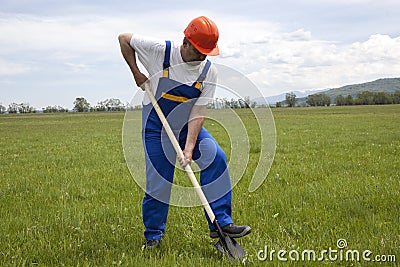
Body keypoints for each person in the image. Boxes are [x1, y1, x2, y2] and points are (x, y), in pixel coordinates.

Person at [118, 16, 251, 249]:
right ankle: (153, 237)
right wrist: (136, 72)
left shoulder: (209, 71)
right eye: (199, 50)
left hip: (187, 125)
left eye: (207, 52)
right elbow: (124, 39)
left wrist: (189, 148)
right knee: (160, 180)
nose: (203, 56)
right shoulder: (162, 51)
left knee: (216, 158)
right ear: (185, 42)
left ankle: (221, 223)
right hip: (156, 126)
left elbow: (198, 111)